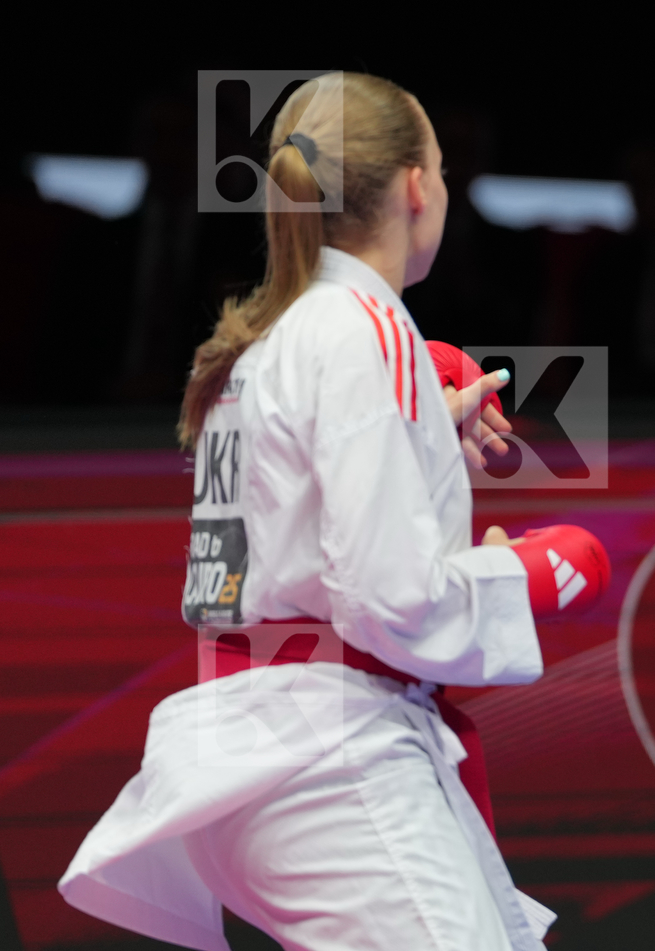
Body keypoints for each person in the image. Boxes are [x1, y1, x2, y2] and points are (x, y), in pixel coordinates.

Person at [58, 72, 607, 951]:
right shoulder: (365, 329)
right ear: (418, 187)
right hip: (330, 752)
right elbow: (391, 596)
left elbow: (307, 528)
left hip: (270, 740)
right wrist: (532, 570)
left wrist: (422, 427)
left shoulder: (269, 336)